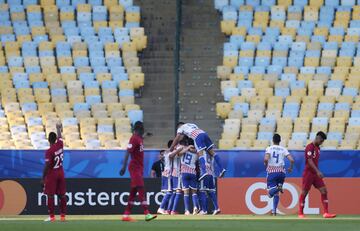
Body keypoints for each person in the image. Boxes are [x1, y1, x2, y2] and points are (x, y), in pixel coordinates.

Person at [119, 121, 157, 222]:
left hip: (139, 168)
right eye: (142, 130)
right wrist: (123, 167)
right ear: (138, 129)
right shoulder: (133, 138)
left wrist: (145, 136)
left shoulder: (139, 138)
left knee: (133, 193)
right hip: (134, 168)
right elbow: (128, 151)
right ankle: (147, 213)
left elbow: (139, 140)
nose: (143, 131)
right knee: (141, 189)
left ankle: (126, 216)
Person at [298, 131, 336, 219]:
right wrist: (318, 171)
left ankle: (326, 213)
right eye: (321, 141)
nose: (322, 143)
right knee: (305, 192)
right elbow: (309, 161)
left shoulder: (318, 148)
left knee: (324, 191)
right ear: (317, 138)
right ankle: (300, 213)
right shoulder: (309, 147)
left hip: (315, 174)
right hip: (308, 173)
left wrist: (317, 172)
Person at [264, 134, 294, 216]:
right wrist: (290, 168)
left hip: (272, 172)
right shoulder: (283, 149)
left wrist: (266, 164)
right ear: (280, 141)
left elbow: (266, 159)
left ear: (272, 140)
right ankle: (274, 211)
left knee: (270, 194)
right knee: (277, 193)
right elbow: (292, 160)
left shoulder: (269, 148)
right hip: (282, 172)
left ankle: (277, 188)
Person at [41, 122, 66, 222]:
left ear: (48, 139)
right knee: (62, 195)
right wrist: (58, 128)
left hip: (52, 174)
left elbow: (47, 165)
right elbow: (60, 136)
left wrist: (43, 178)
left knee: (50, 195)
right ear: (55, 139)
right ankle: (63, 217)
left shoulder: (49, 151)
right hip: (61, 172)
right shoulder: (60, 144)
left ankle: (52, 217)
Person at [178, 137, 200, 215]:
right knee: (194, 192)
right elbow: (198, 155)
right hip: (193, 173)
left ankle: (187, 210)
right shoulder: (196, 153)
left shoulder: (183, 150)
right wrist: (193, 149)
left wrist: (187, 148)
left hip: (184, 173)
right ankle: (195, 207)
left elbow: (178, 154)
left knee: (186, 193)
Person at [157, 140, 177, 215]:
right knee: (169, 192)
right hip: (168, 173)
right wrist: (180, 149)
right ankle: (161, 208)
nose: (176, 146)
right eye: (175, 145)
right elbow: (173, 154)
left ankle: (165, 209)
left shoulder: (167, 152)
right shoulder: (169, 153)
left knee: (169, 191)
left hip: (167, 172)